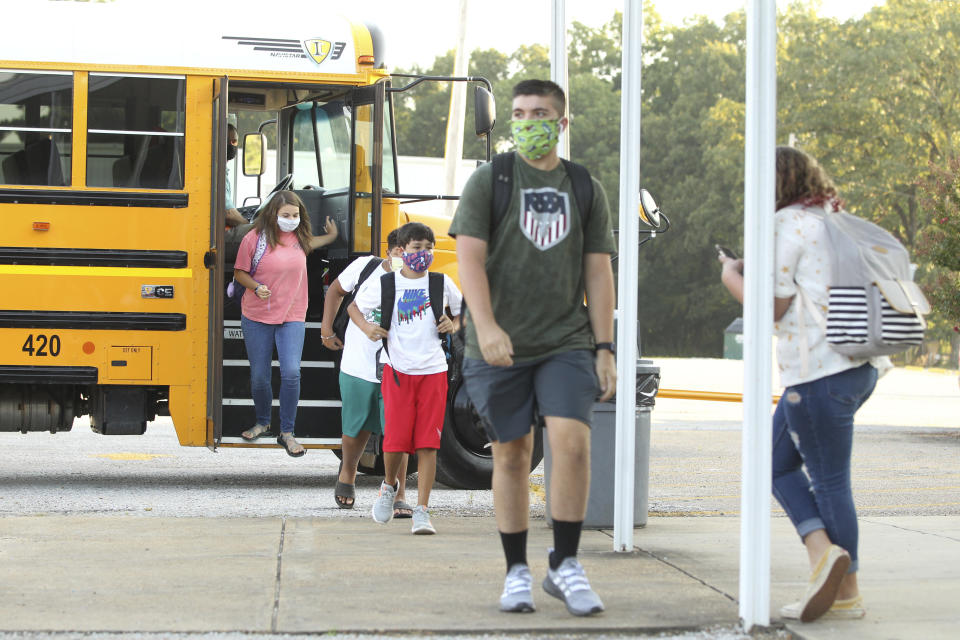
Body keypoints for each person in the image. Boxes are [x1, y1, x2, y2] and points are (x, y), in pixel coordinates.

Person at [449, 79, 616, 616]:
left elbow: (598, 269)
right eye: (519, 113)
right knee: (513, 453)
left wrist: (605, 345)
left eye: (540, 113)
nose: (527, 121)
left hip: (566, 339)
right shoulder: (489, 180)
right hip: (497, 344)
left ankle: (565, 564)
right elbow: (469, 260)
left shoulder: (584, 186)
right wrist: (488, 325)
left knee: (571, 443)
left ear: (561, 122)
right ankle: (517, 570)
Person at [718, 146, 881, 623]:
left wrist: (731, 276)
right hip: (859, 366)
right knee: (773, 463)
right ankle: (823, 554)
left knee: (830, 481)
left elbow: (772, 309)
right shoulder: (832, 218)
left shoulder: (785, 224)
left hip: (817, 375)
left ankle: (844, 590)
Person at [350, 221, 462, 535]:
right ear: (402, 250)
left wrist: (454, 324)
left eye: (429, 248)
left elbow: (464, 310)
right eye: (417, 248)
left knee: (428, 443)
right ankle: (389, 487)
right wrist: (368, 329)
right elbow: (355, 308)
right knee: (395, 442)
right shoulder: (387, 284)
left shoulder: (440, 283)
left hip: (433, 371)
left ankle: (422, 511)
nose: (424, 254)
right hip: (397, 371)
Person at [235, 190, 338, 456]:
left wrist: (333, 236)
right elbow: (240, 273)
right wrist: (257, 288)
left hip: (292, 314)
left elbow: (316, 242)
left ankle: (287, 432)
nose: (291, 219)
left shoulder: (300, 239)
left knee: (291, 372)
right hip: (257, 314)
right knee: (260, 375)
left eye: (295, 215)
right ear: (273, 215)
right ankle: (262, 421)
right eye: (286, 215)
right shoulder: (253, 239)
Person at [319, 230, 414, 517]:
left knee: (397, 430)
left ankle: (398, 492)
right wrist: (326, 331)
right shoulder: (366, 267)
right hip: (359, 361)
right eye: (404, 251)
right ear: (391, 250)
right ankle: (348, 471)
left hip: (397, 364)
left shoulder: (419, 280)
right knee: (356, 427)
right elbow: (337, 291)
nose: (408, 258)